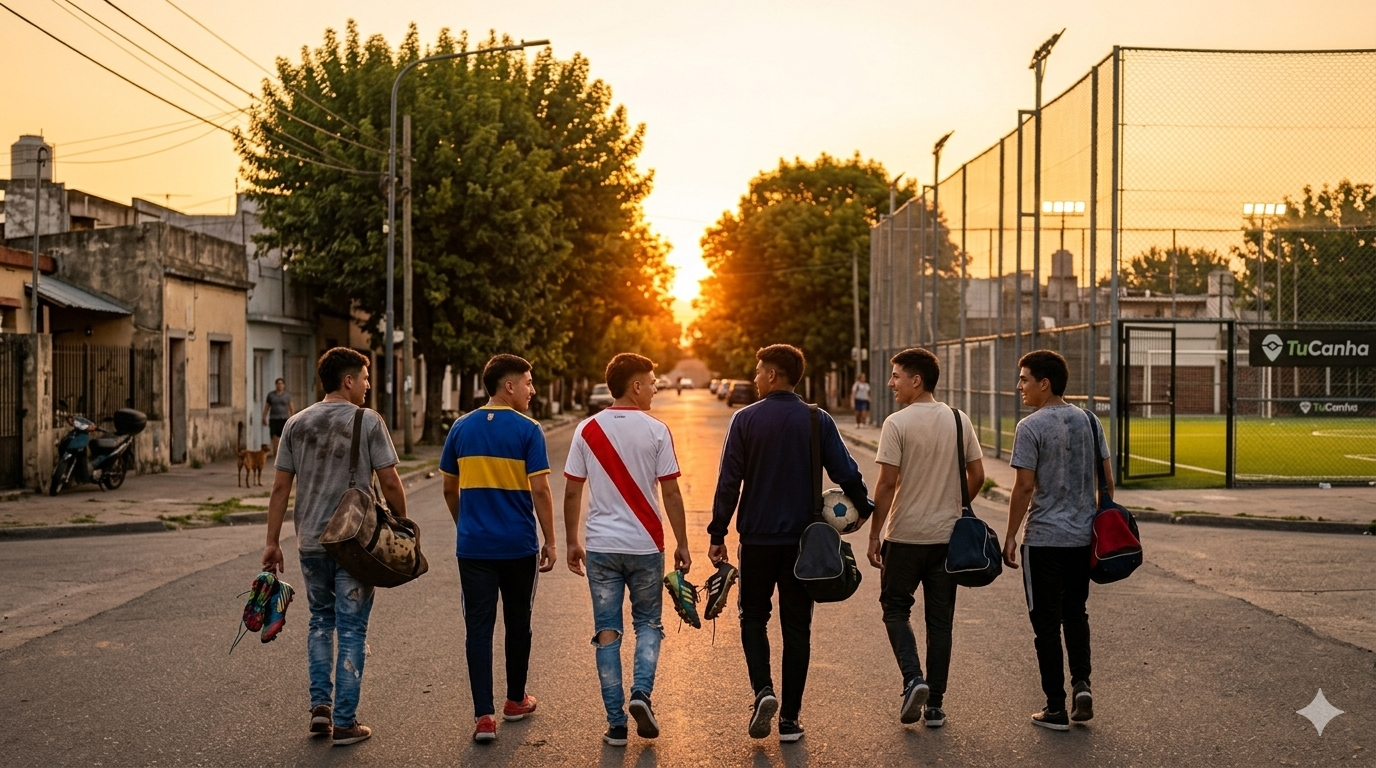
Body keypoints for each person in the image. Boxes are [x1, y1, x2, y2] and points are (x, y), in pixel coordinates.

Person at [707, 344, 872, 743]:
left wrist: (717, 533)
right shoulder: (817, 419)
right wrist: (863, 505)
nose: (756, 375)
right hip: (805, 544)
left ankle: (764, 691)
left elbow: (730, 480)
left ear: (773, 375)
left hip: (758, 540)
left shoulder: (745, 420)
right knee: (797, 626)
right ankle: (791, 720)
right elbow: (845, 471)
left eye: (759, 370)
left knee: (753, 618)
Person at [262, 348, 407, 747]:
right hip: (355, 544)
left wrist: (273, 542)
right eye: (364, 377)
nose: (367, 385)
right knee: (353, 628)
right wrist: (404, 526)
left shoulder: (295, 423)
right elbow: (391, 482)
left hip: (310, 543)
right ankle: (345, 722)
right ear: (348, 381)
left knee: (321, 621)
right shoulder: (368, 421)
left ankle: (320, 710)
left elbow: (279, 488)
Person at [563, 353, 692, 747]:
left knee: (607, 631)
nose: (655, 388)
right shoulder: (656, 430)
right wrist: (683, 542)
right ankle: (641, 694)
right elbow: (670, 490)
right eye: (652, 382)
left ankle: (616, 724)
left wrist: (572, 540)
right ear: (635, 386)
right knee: (649, 624)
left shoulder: (587, 429)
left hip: (601, 546)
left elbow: (572, 490)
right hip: (644, 545)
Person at [440, 354, 557, 743]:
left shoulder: (460, 427)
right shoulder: (529, 429)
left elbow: (448, 487)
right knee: (517, 622)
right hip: (517, 545)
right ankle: (515, 700)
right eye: (528, 382)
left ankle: (484, 717)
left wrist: (467, 526)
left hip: (473, 547)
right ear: (509, 386)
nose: (532, 389)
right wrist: (552, 540)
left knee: (478, 627)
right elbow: (540, 489)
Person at [865, 348, 984, 728]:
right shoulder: (957, 419)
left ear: (916, 380)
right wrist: (954, 503)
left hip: (905, 536)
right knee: (940, 622)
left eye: (896, 375)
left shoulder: (896, 423)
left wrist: (874, 533)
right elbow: (977, 474)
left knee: (895, 609)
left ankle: (913, 678)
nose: (891, 382)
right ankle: (935, 704)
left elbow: (885, 484)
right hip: (947, 538)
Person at [1001, 349, 1112, 731]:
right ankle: (1082, 684)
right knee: (1076, 613)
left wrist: (1011, 535)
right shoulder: (1090, 421)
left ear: (1044, 384)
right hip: (1082, 538)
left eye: (1024, 379)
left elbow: (1024, 486)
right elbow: (1106, 480)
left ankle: (1055, 707)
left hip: (1044, 540)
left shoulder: (1030, 426)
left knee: (1045, 624)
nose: (1019, 387)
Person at [262, 378, 295, 456]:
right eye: (278, 384)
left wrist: (292, 418)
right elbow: (267, 407)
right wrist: (264, 417)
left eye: (281, 384)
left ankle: (281, 455)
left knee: (282, 438)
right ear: (276, 385)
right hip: (273, 419)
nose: (280, 385)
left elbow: (291, 407)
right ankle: (275, 455)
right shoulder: (271, 395)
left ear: (284, 385)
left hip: (283, 419)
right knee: (274, 437)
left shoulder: (287, 396)